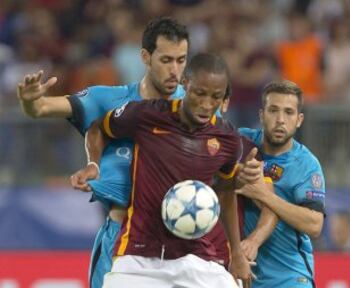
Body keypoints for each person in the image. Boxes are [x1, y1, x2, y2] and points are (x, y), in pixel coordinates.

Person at [17, 16, 189, 288]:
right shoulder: (111, 100)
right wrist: (29, 101)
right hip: (121, 239)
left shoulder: (197, 110)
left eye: (181, 60)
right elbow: (41, 109)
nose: (175, 70)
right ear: (145, 57)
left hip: (182, 243)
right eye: (166, 60)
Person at [73, 53, 252, 288]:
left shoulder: (228, 139)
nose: (207, 104)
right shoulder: (148, 114)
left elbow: (227, 192)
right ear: (185, 84)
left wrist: (237, 254)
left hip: (195, 257)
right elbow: (98, 128)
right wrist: (93, 164)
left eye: (216, 97)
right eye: (200, 93)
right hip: (138, 257)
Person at [236, 80, 326, 287]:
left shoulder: (306, 165)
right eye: (273, 110)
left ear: (299, 119)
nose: (280, 120)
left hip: (290, 277)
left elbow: (314, 225)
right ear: (261, 115)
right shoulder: (242, 143)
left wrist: (264, 195)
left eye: (288, 112)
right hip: (245, 275)